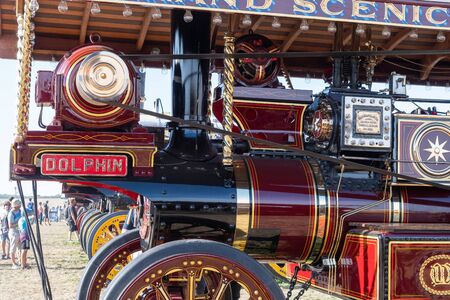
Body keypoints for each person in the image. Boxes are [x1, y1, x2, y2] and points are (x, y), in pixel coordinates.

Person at [8, 199, 22, 269]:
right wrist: (19, 223)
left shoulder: (20, 211)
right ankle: (13, 264)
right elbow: (10, 226)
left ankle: (20, 261)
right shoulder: (11, 213)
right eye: (19, 204)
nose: (20, 206)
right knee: (13, 248)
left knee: (20, 248)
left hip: (20, 232)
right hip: (13, 232)